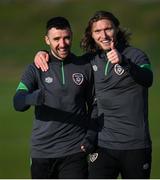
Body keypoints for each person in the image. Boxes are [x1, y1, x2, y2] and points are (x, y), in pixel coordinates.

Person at [33, 11, 153, 179]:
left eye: (108, 29)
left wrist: (124, 62)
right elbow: (65, 59)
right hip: (102, 145)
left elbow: (148, 79)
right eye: (97, 31)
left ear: (116, 29)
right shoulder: (91, 60)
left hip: (135, 144)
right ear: (91, 35)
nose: (103, 35)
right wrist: (41, 52)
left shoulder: (136, 55)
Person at [13, 16, 97, 179]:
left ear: (71, 36)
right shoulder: (36, 68)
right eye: (56, 39)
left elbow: (94, 105)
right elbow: (18, 101)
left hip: (74, 151)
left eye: (66, 38)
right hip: (42, 152)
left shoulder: (84, 67)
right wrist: (33, 98)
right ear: (47, 40)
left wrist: (91, 137)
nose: (62, 43)